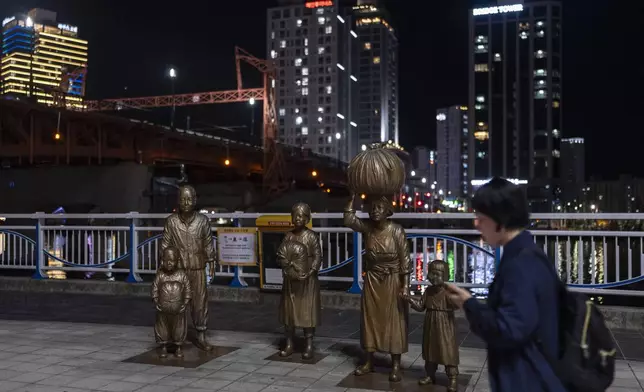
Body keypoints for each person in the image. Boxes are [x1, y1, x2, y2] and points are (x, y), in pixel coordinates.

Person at [444, 177, 565, 392]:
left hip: (528, 380)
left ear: (501, 219)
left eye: (481, 217)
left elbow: (510, 329)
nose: (476, 223)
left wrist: (469, 304)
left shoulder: (520, 265)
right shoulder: (526, 254)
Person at [344, 193, 411, 382]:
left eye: (379, 208)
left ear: (388, 211)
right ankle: (369, 360)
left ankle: (395, 364)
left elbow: (405, 259)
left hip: (392, 279)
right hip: (373, 279)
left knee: (394, 320)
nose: (375, 211)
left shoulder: (397, 231)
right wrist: (353, 198)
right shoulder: (368, 229)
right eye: (372, 208)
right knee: (370, 319)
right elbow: (349, 219)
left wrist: (405, 285)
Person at [161, 184, 217, 351]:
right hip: (178, 270)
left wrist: (211, 260)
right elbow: (165, 244)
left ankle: (201, 335)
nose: (186, 202)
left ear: (195, 200)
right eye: (183, 199)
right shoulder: (171, 222)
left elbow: (208, 242)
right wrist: (164, 265)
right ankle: (176, 336)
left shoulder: (202, 221)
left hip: (198, 268)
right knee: (177, 303)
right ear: (178, 201)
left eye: (189, 199)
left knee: (200, 303)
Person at [401, 260, 459, 391]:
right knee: (429, 350)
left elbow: (457, 305)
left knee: (447, 351)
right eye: (431, 274)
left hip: (445, 325)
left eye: (437, 274)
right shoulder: (428, 291)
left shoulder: (449, 291)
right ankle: (430, 374)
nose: (432, 277)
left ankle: (453, 378)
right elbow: (421, 306)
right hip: (430, 323)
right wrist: (409, 298)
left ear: (445, 276)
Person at [277, 202, 322, 360]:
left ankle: (308, 344)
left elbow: (317, 255)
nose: (298, 218)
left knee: (307, 312)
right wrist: (287, 268)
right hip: (291, 279)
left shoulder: (311, 236)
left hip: (307, 279)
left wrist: (311, 271)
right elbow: (282, 255)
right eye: (295, 215)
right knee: (290, 312)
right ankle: (289, 343)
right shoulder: (288, 235)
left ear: (307, 218)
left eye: (302, 216)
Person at [152, 246, 191, 358]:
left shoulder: (182, 275)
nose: (169, 263)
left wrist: (186, 302)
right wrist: (155, 301)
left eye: (172, 260)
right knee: (162, 327)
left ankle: (178, 347)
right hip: (162, 308)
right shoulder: (160, 275)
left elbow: (188, 289)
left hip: (178, 308)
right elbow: (154, 289)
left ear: (177, 261)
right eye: (166, 260)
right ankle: (163, 346)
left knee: (179, 327)